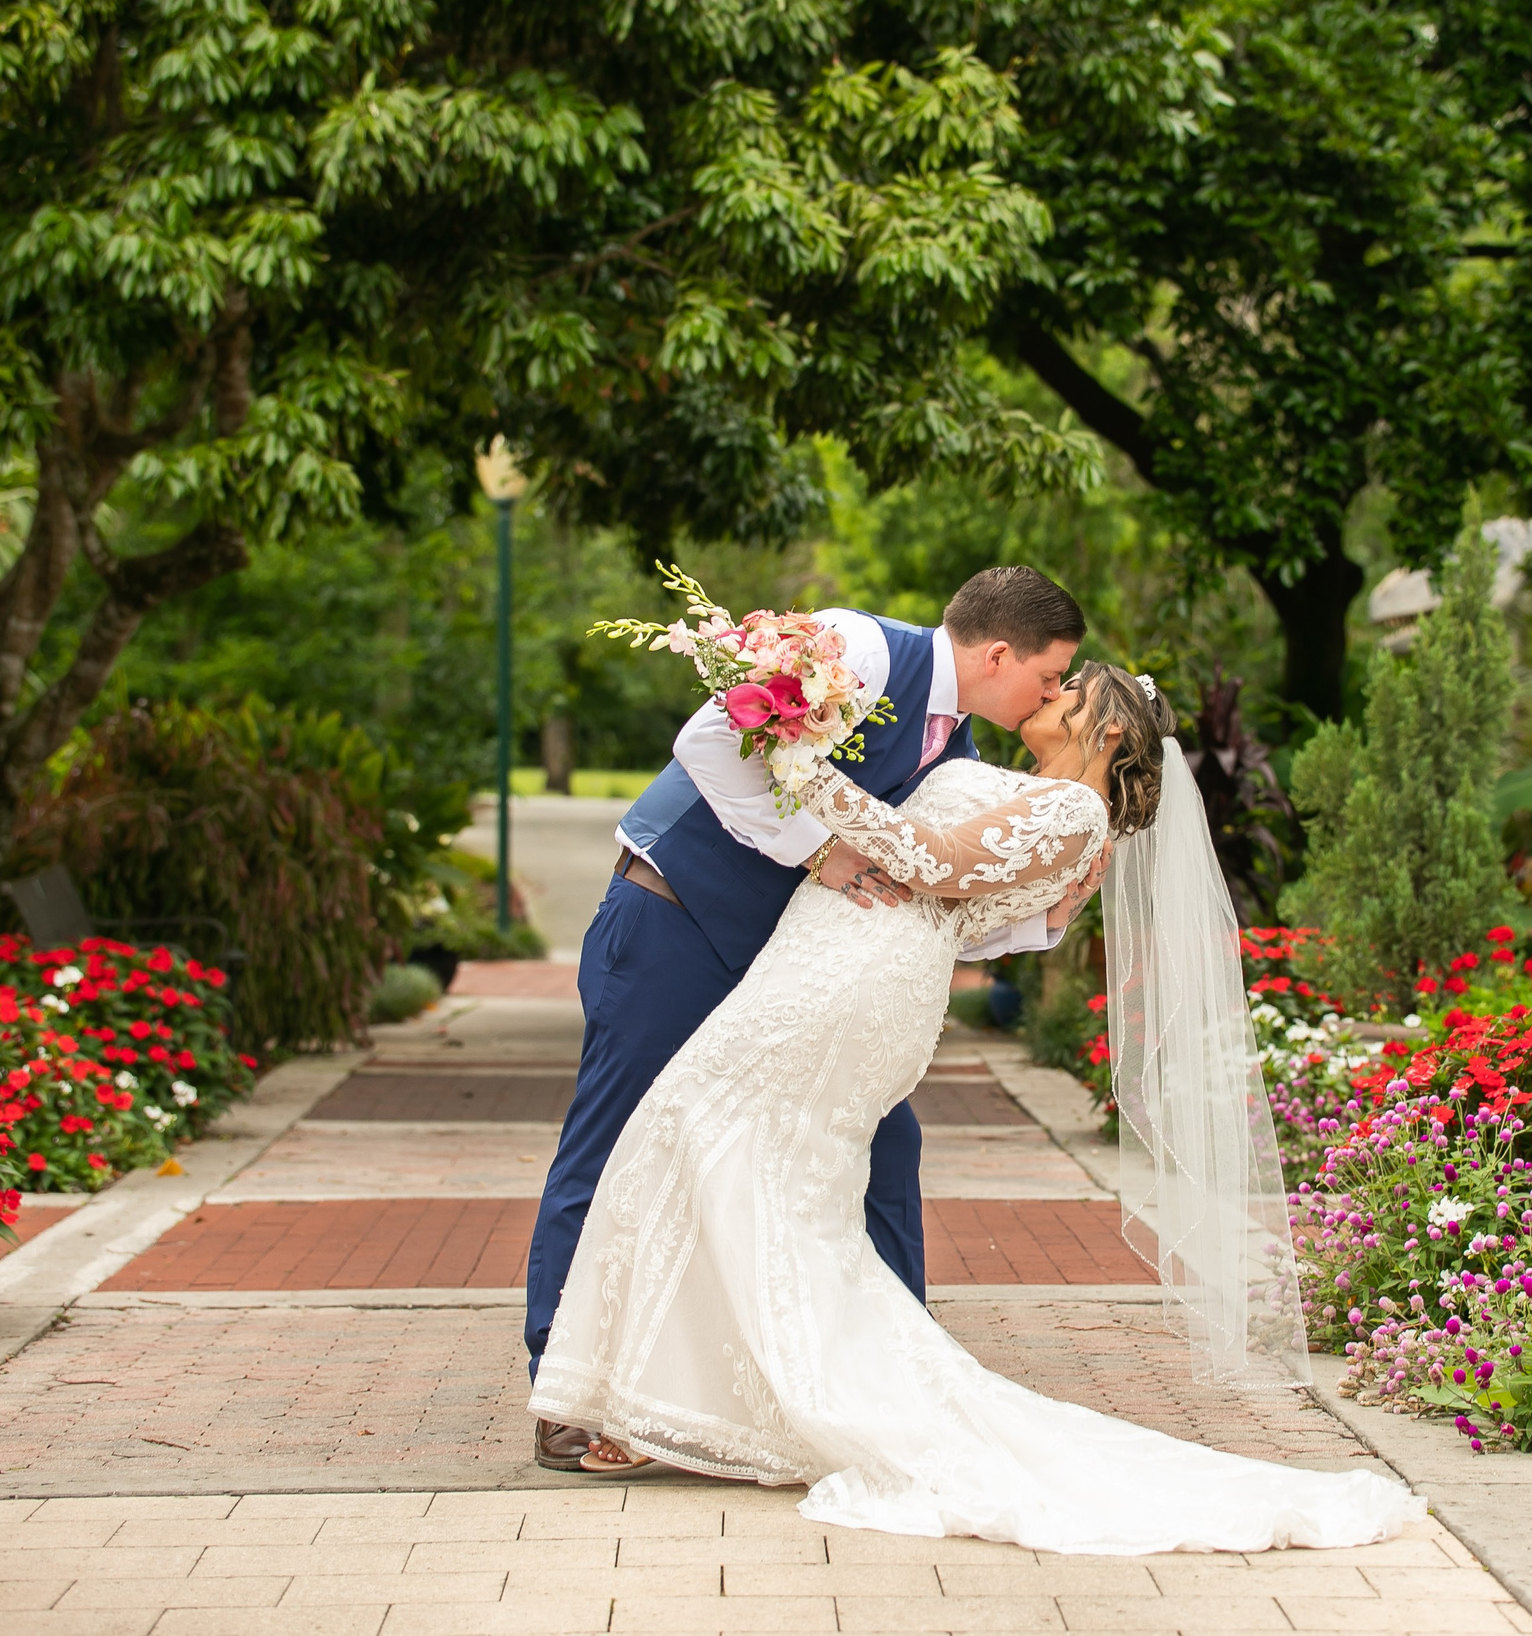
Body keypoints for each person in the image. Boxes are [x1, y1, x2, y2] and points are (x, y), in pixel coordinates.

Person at [529, 663, 1419, 1552]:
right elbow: (978, 902)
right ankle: (677, 1396)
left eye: (1076, 691)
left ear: (1110, 734)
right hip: (834, 956)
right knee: (740, 1155)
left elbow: (937, 863)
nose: (1054, 692)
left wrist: (799, 766)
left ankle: (709, 1400)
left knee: (705, 1129)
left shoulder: (1076, 813)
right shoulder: (1037, 796)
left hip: (855, 978)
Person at [525, 567, 1090, 1473]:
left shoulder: (958, 752)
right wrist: (819, 847)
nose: (1052, 695)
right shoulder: (855, 651)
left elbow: (930, 882)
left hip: (783, 965)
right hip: (675, 913)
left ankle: (883, 1374)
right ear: (998, 654)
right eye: (1050, 675)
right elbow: (708, 741)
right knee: (622, 1129)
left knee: (884, 1144)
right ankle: (563, 1384)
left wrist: (1046, 915)